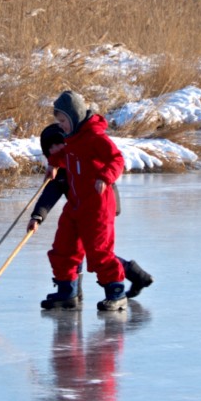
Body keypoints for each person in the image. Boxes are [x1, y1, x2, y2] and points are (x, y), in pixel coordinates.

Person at [28, 123, 154, 307]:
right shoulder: (58, 172)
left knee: (96, 251)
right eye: (51, 147)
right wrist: (38, 216)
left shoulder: (80, 160)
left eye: (59, 143)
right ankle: (71, 291)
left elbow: (110, 176)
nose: (56, 149)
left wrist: (107, 207)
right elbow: (49, 197)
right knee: (70, 247)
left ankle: (134, 275)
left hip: (100, 207)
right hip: (78, 210)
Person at [38, 90, 129, 312]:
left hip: (97, 206)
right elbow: (65, 155)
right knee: (63, 247)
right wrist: (53, 164)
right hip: (76, 205)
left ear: (74, 117)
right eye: (58, 122)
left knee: (99, 250)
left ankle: (116, 292)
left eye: (63, 121)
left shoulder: (96, 138)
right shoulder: (73, 140)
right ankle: (67, 291)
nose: (61, 126)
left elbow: (117, 159)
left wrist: (104, 177)